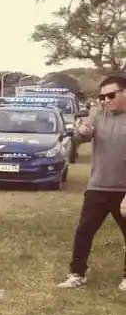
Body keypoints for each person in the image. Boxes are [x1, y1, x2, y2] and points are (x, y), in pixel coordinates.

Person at [58, 74, 126, 290]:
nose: (106, 101)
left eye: (111, 95)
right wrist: (80, 133)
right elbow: (78, 140)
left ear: (124, 93)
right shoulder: (98, 114)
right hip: (98, 186)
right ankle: (77, 274)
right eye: (101, 97)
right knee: (84, 232)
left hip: (123, 189)